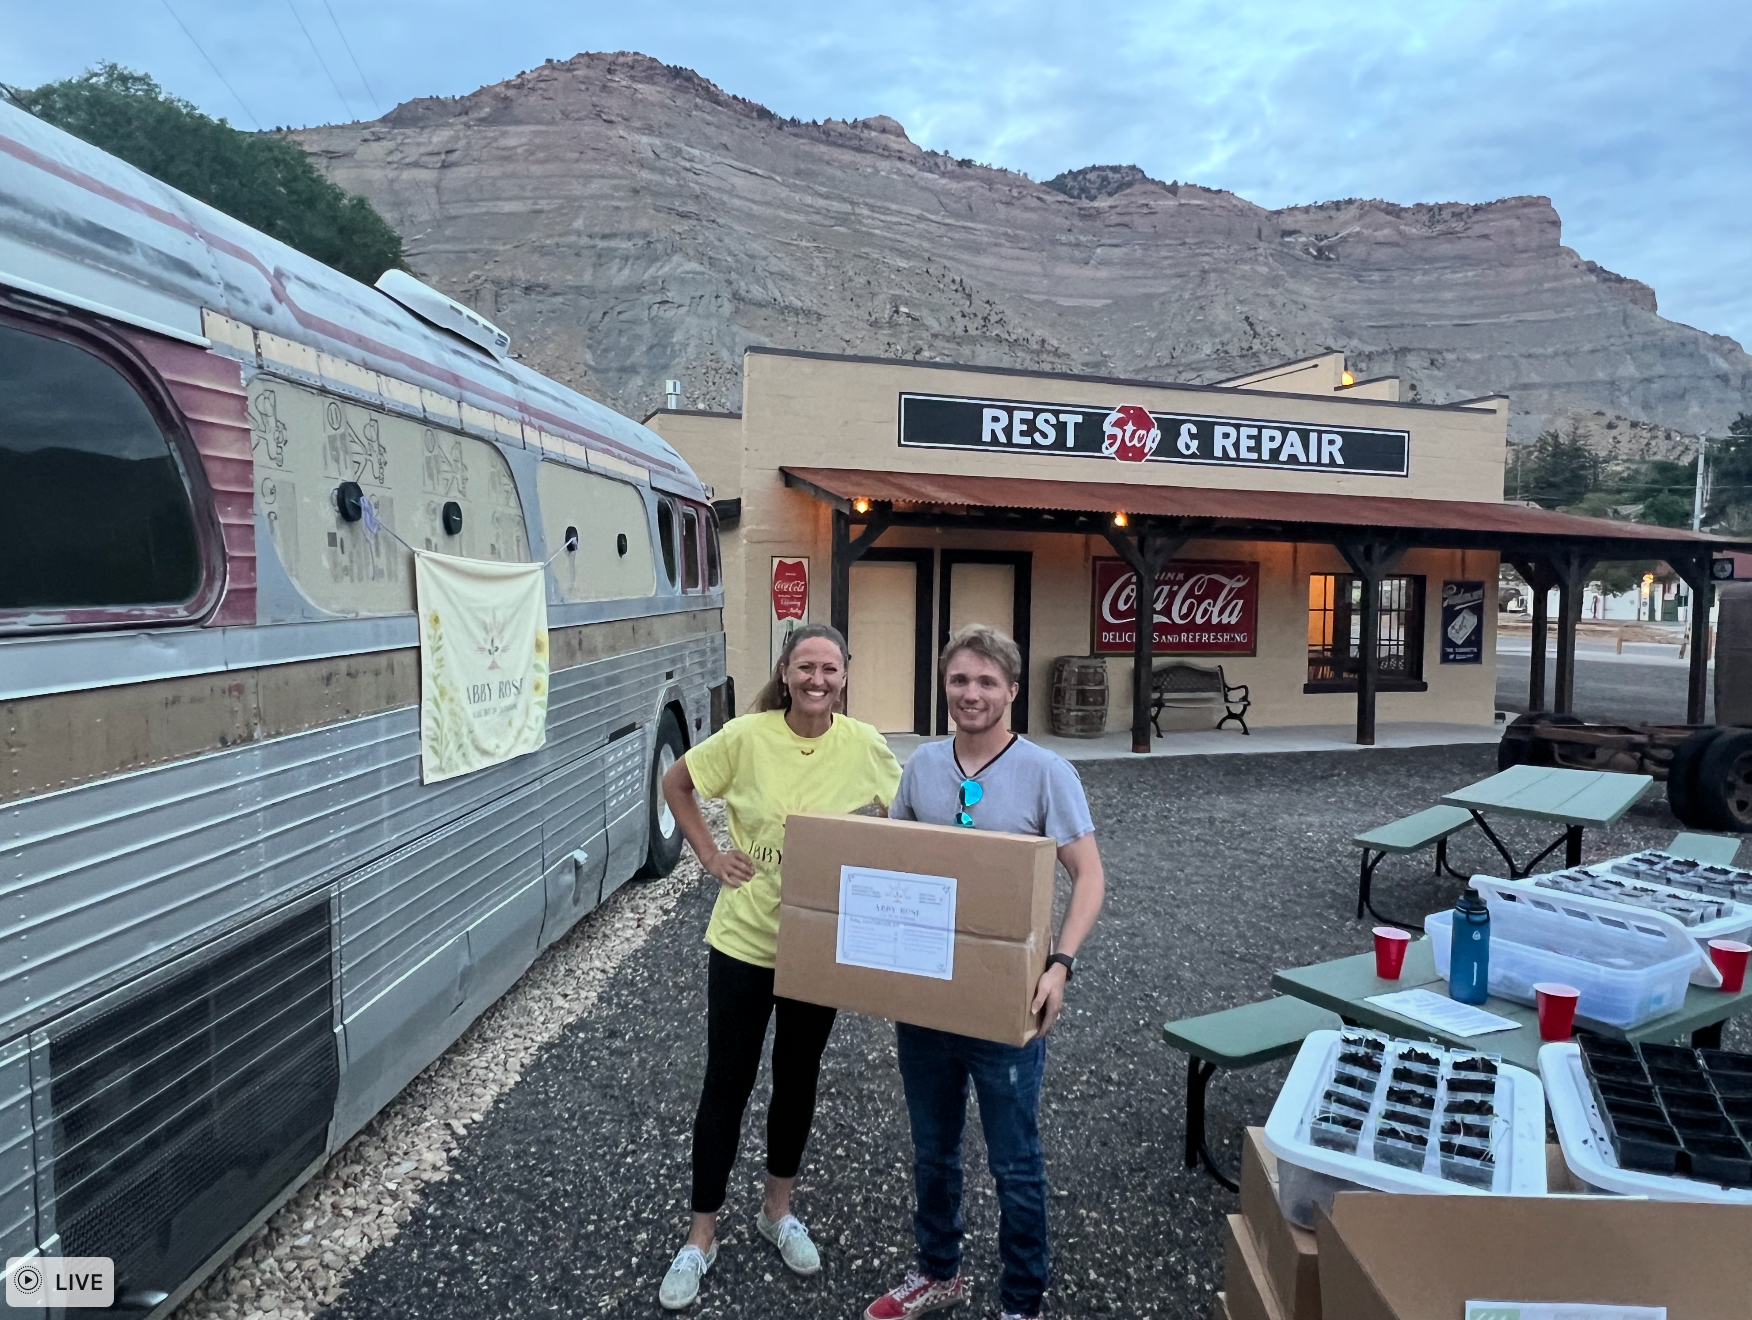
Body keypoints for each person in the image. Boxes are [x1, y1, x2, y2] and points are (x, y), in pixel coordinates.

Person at [657, 623, 902, 1311]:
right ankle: (700, 1237)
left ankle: (776, 1211)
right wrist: (709, 856)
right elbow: (677, 783)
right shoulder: (747, 735)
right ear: (785, 671)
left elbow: (904, 818)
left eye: (829, 667)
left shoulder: (867, 747)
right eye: (805, 667)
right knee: (725, 1087)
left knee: (797, 1082)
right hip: (743, 942)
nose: (817, 679)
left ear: (845, 674)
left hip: (819, 946)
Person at [864, 624, 1105, 1320]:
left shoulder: (1046, 773)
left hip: (1009, 999)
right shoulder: (924, 768)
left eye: (986, 682)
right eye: (959, 680)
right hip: (928, 994)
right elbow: (898, 864)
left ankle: (1021, 1301)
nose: (971, 694)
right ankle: (938, 1270)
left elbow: (1089, 877)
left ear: (1012, 691)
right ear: (945, 687)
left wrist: (1060, 965)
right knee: (933, 1150)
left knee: (1014, 1162)